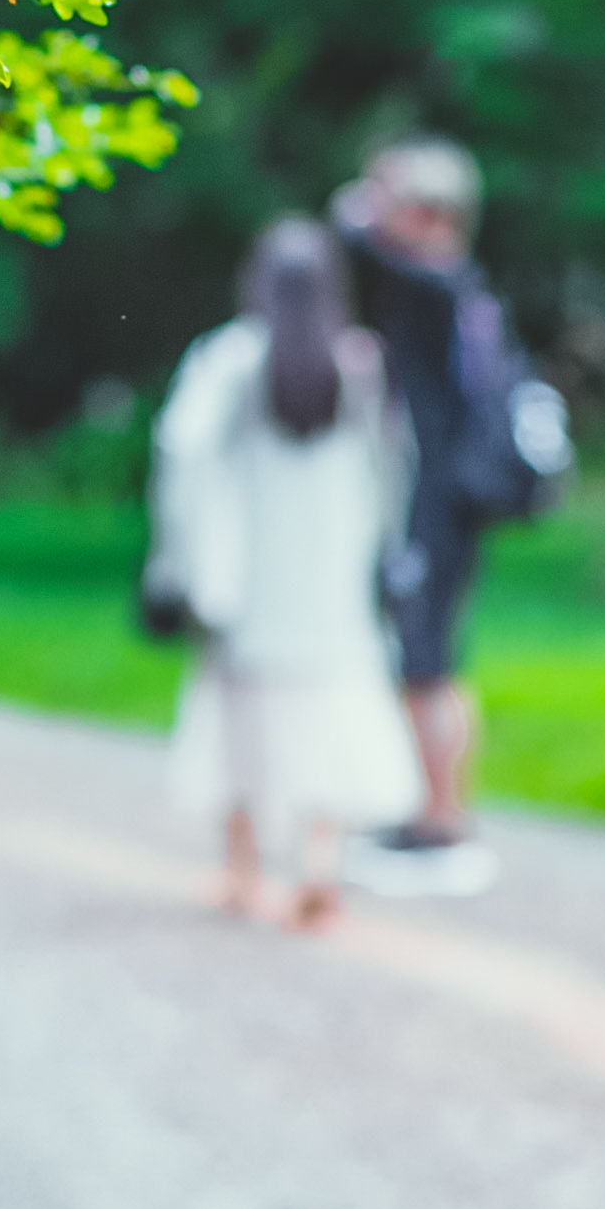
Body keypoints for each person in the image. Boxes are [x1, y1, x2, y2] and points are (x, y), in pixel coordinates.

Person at [150, 216, 422, 931]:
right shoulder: (360, 361)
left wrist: (177, 557)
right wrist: (386, 552)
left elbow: (181, 451)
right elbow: (394, 469)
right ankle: (319, 864)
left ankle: (242, 871)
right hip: (332, 583)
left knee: (240, 722)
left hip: (248, 580)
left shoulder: (231, 359)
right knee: (327, 721)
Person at [331, 135, 567, 893]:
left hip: (437, 501)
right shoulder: (465, 292)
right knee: (428, 654)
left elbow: (351, 237)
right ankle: (428, 808)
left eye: (398, 200)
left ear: (432, 214)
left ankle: (440, 818)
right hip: (450, 498)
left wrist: (359, 210)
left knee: (429, 657)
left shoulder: (436, 285)